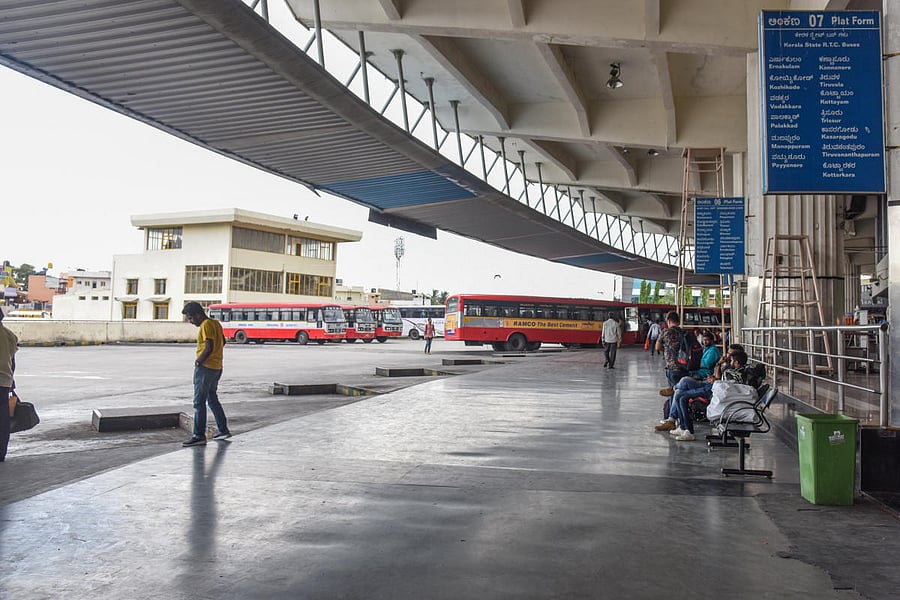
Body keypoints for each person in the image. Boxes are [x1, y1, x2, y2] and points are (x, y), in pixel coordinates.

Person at [655, 347, 752, 441]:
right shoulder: (730, 368)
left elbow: (729, 388)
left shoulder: (738, 373)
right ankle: (683, 427)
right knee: (681, 390)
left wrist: (716, 380)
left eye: (731, 356)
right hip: (712, 386)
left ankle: (687, 429)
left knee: (681, 394)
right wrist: (717, 371)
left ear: (736, 362)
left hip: (716, 393)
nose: (728, 356)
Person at [182, 302, 231, 447]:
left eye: (190, 318)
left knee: (199, 402)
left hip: (205, 368)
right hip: (217, 367)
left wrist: (199, 361)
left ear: (198, 314)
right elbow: (222, 341)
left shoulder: (205, 325)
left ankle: (198, 435)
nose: (190, 321)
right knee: (212, 399)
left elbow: (208, 346)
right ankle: (223, 430)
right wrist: (216, 355)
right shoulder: (215, 323)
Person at [0, 309, 18, 462]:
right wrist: (12, 383)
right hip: (4, 382)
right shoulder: (9, 335)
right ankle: (1, 452)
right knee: (2, 418)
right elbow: (12, 362)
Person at [656, 311, 687, 390]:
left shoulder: (665, 332)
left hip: (672, 367)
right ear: (679, 321)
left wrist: (666, 350)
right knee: (682, 391)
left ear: (668, 321)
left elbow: (657, 347)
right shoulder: (684, 333)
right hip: (685, 367)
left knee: (673, 391)